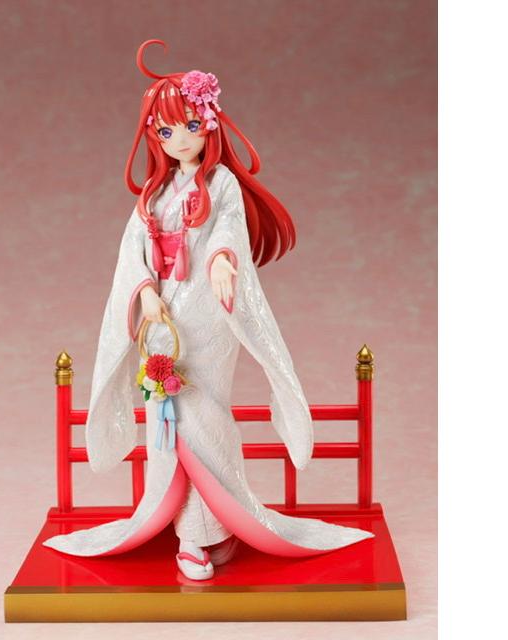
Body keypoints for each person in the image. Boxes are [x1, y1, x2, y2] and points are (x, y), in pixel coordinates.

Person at [42, 39, 374, 581]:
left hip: (205, 316)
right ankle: (208, 531)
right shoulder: (153, 194)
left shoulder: (221, 183)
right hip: (161, 321)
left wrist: (222, 259)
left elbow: (229, 231)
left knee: (202, 417)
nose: (180, 140)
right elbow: (131, 253)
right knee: (168, 424)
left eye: (191, 126)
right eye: (166, 131)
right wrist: (144, 292)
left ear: (210, 124)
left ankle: (200, 535)